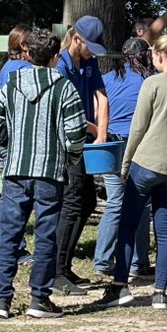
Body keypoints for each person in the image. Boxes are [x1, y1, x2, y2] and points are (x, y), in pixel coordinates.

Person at [0, 30, 88, 319]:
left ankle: (1, 300)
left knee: (9, 233)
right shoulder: (65, 88)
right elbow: (76, 133)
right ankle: (38, 299)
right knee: (46, 236)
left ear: (28, 54)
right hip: (50, 172)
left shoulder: (12, 83)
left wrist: (9, 144)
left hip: (15, 170)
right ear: (55, 57)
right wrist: (71, 157)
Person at [96, 35, 167, 309]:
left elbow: (138, 128)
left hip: (147, 164)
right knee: (165, 230)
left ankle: (120, 286)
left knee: (128, 224)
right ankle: (160, 292)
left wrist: (125, 162)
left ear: (159, 56)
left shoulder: (152, 84)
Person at [53, 16, 109, 295]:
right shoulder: (61, 64)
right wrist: (95, 128)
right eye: (89, 47)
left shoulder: (89, 62)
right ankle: (56, 271)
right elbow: (67, 112)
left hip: (84, 143)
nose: (92, 53)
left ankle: (65, 266)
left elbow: (102, 96)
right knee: (72, 203)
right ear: (76, 39)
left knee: (86, 202)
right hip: (65, 145)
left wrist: (101, 135)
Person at [93, 38, 153, 280]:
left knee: (115, 201)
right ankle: (139, 261)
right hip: (136, 144)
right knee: (141, 201)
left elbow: (97, 112)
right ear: (142, 56)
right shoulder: (148, 81)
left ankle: (103, 259)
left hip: (110, 143)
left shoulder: (106, 80)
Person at [0, 24, 35, 266]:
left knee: (12, 197)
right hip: (13, 141)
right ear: (23, 46)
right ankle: (15, 250)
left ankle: (6, 246)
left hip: (7, 139)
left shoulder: (9, 68)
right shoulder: (22, 70)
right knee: (16, 199)